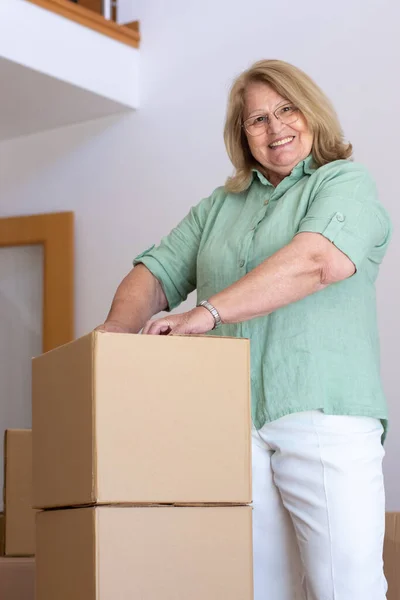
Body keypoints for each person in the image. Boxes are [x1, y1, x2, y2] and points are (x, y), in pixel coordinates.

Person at [97, 59, 392, 600]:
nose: (275, 127)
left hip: (321, 415)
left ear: (313, 113)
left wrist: (205, 314)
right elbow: (156, 272)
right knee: (252, 588)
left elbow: (317, 261)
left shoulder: (344, 183)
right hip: (228, 425)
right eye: (256, 119)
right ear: (242, 135)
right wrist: (115, 334)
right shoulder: (221, 205)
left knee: (344, 589)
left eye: (286, 109)